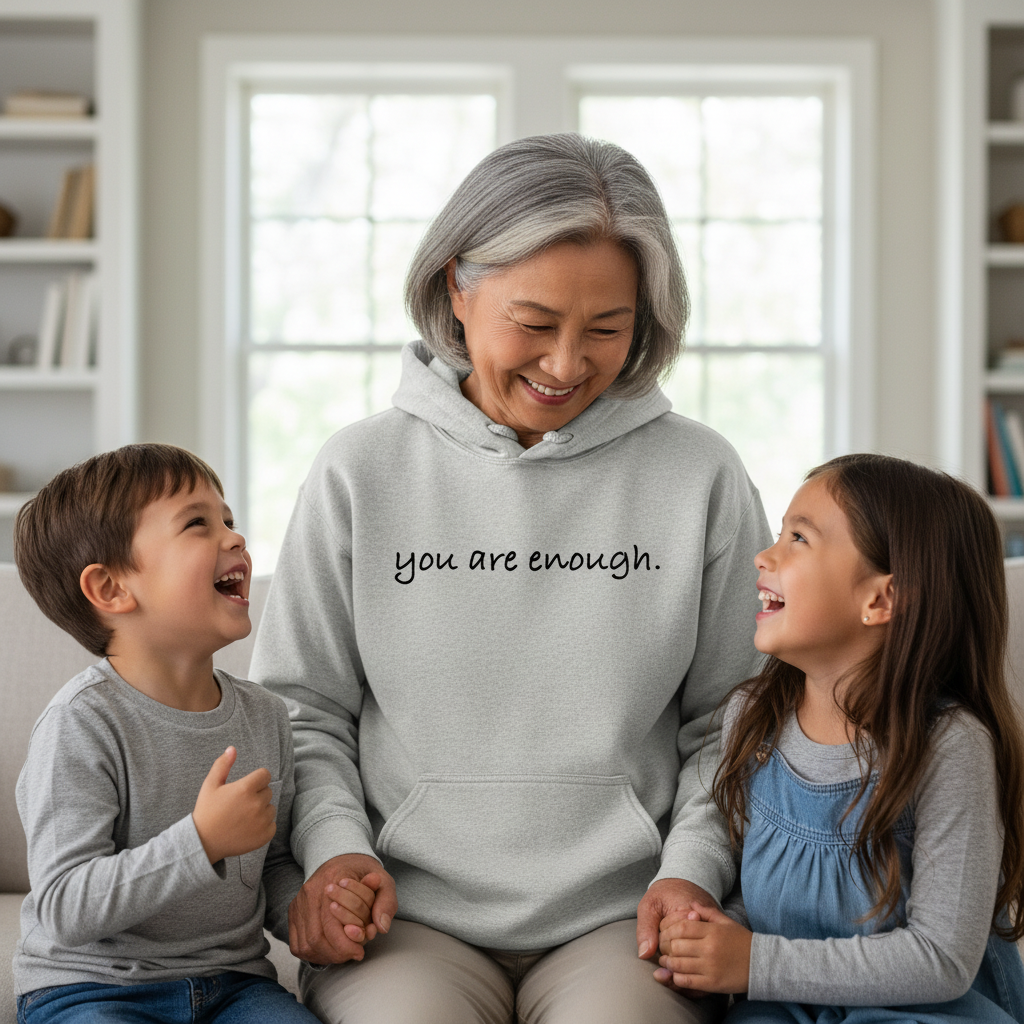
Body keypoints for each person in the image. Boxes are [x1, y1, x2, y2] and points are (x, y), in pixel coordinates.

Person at [251, 133, 771, 1024]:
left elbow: (737, 720)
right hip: (405, 915)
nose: (567, 365)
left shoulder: (702, 476)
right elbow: (302, 711)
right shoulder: (359, 471)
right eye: (534, 323)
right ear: (458, 285)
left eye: (607, 329)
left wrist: (691, 871)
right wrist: (336, 852)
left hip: (625, 916)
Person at [657, 454, 1024, 1022]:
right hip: (782, 1006)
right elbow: (754, 880)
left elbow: (942, 958)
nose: (764, 555)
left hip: (918, 1010)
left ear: (880, 600)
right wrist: (709, 942)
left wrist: (754, 962)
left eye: (798, 539)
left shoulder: (950, 747)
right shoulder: (753, 719)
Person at [12, 444, 325, 1024]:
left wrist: (309, 915)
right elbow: (63, 905)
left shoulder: (265, 715)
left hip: (234, 986)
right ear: (110, 589)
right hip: (91, 989)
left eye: (228, 519)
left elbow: (272, 862)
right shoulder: (82, 723)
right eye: (197, 524)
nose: (235, 537)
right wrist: (200, 841)